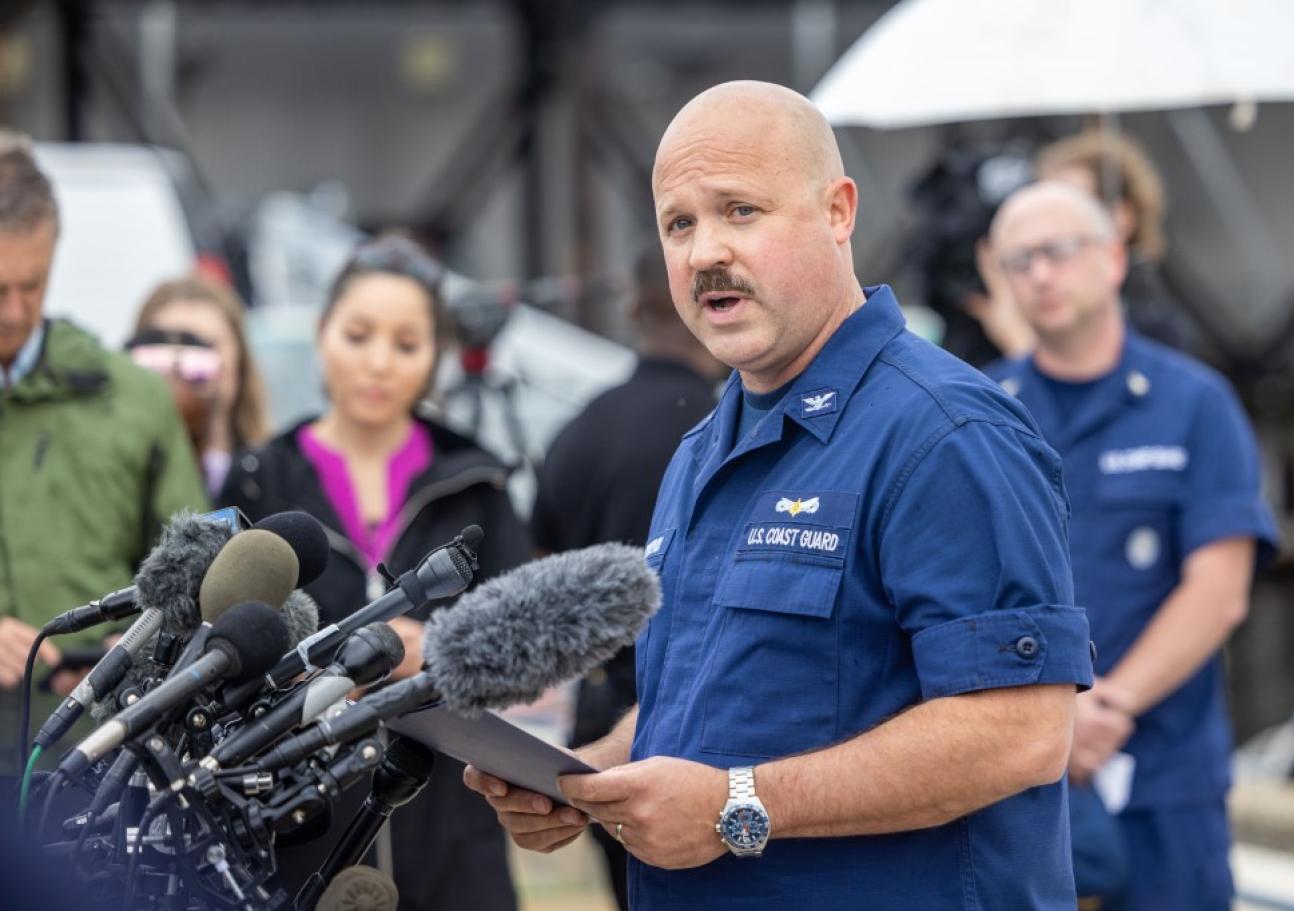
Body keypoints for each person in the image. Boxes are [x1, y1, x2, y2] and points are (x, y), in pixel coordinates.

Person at [466, 81, 1093, 909]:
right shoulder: (703, 450)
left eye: (740, 210)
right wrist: (595, 776)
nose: (705, 252)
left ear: (838, 212)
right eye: (678, 224)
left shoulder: (946, 433)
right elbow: (709, 701)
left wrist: (736, 805)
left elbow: (1018, 731)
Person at [983, 181, 1280, 910]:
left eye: (1058, 252)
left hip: (1164, 777)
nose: (1040, 275)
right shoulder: (979, 412)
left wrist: (1108, 705)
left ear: (1114, 259)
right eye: (1019, 261)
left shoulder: (1195, 404)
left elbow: (1219, 589)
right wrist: (1051, 721)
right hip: (1020, 779)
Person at [217, 233, 529, 911]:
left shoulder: (478, 483)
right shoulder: (259, 479)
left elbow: (536, 648)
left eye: (406, 344)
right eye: (358, 336)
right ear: (322, 333)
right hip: (301, 833)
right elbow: (221, 649)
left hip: (453, 833)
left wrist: (445, 648)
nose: (379, 362)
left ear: (434, 357)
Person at [0, 132, 206, 779]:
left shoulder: (134, 401)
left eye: (31, 286)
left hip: (93, 768)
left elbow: (200, 576)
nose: (13, 311)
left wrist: (135, 652)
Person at [530, 246, 721, 911]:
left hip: (599, 716)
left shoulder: (581, 428)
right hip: (708, 726)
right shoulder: (726, 429)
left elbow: (544, 570)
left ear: (635, 310)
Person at [973, 129, 1198, 360]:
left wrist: (1021, 345)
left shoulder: (1154, 324)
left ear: (1120, 218)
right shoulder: (1013, 299)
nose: (1041, 275)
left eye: (1073, 203)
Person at [132, 274, 271, 497]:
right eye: (169, 348)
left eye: (208, 345)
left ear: (240, 357)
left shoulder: (280, 475)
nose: (188, 367)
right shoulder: (119, 480)